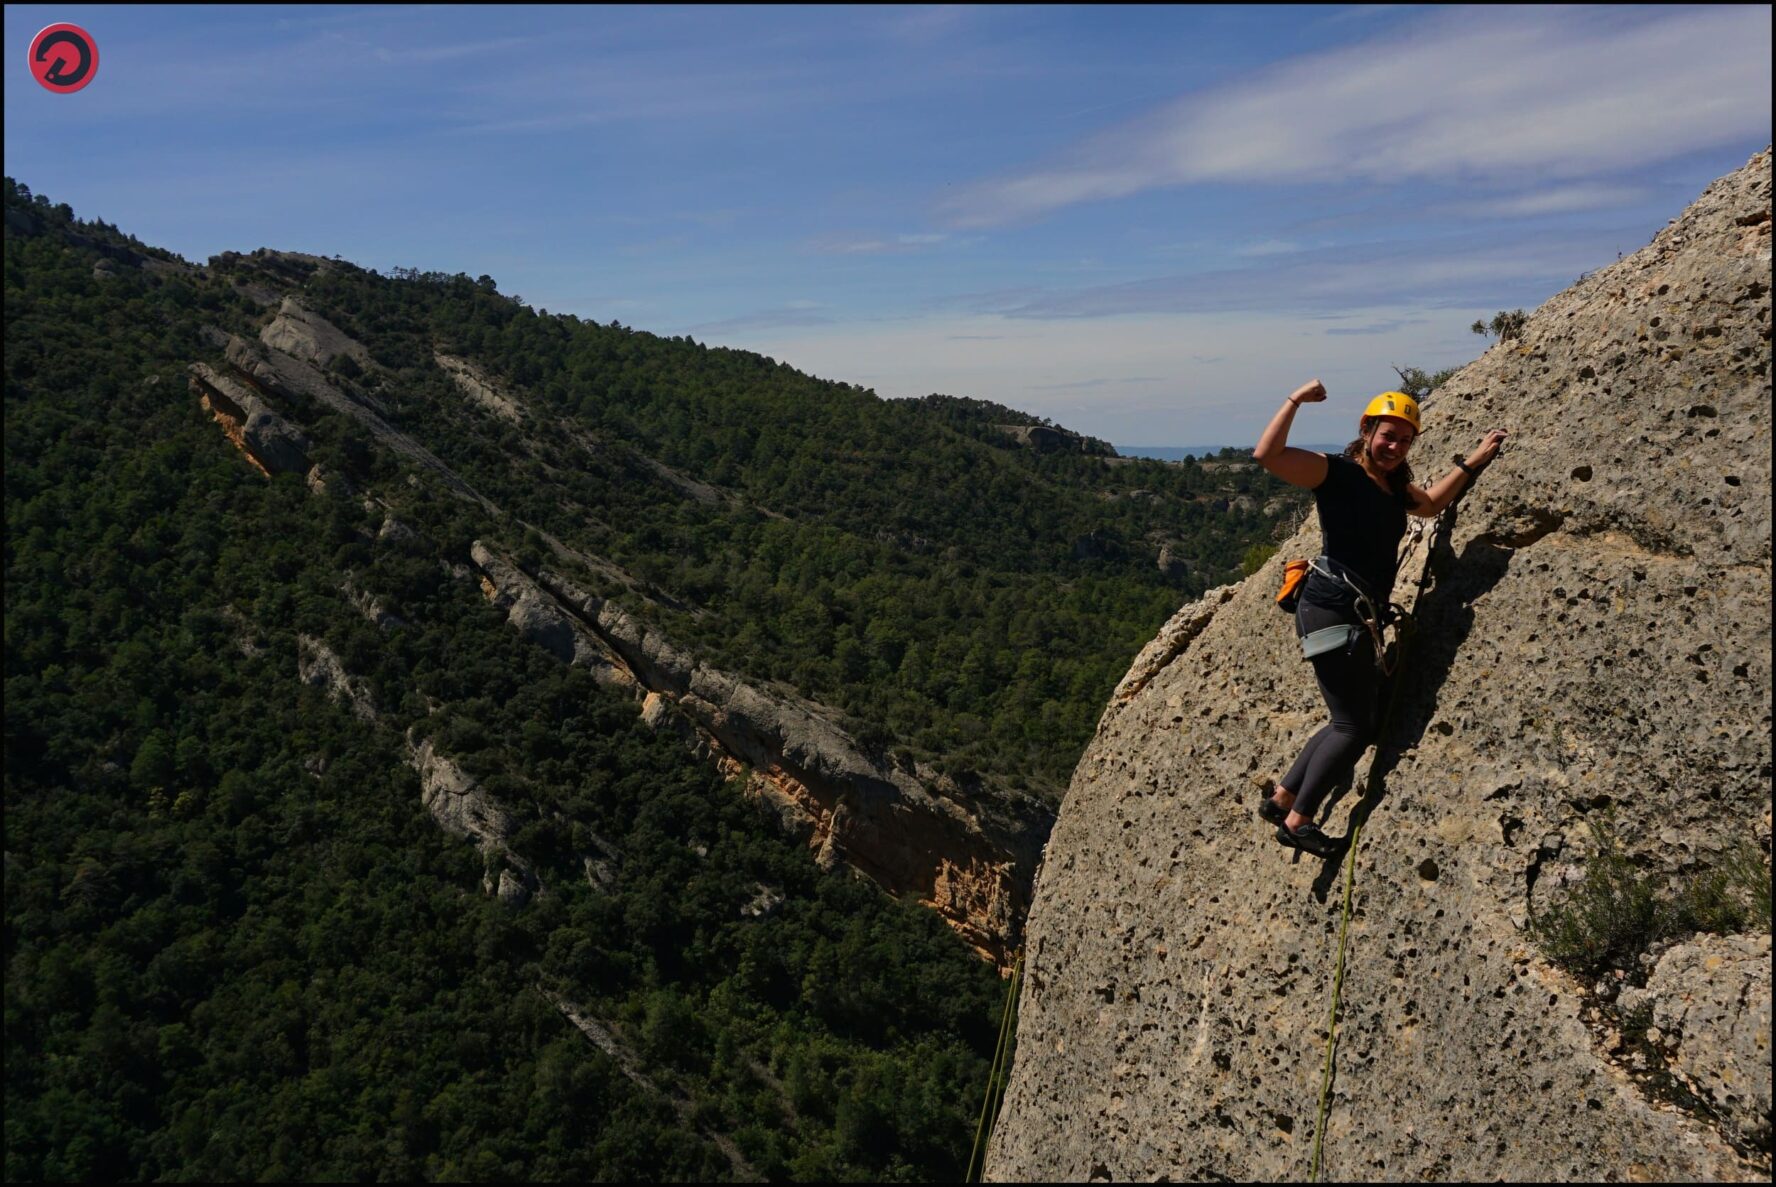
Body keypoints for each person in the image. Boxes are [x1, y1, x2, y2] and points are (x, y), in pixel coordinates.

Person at [1251, 380, 1507, 856]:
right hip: (1330, 606)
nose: (1395, 446)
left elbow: (1430, 504)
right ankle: (1298, 821)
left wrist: (1476, 460)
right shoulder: (1337, 474)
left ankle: (1283, 796)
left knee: (1342, 719)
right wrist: (1293, 401)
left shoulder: (1392, 489)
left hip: (1348, 612)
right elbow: (1268, 455)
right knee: (1355, 727)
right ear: (1366, 430)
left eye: (1405, 439)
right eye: (1388, 435)